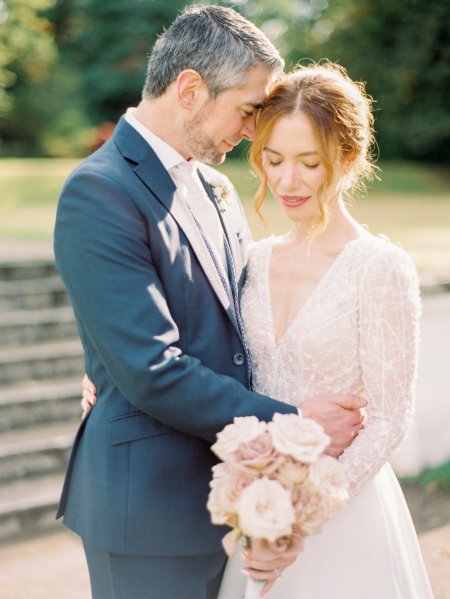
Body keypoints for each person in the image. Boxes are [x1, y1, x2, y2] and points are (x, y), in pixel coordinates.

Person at [54, 6, 364, 599]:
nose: (253, 130)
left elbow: (237, 321)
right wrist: (295, 425)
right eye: (248, 109)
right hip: (147, 512)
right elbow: (149, 368)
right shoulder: (98, 190)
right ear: (191, 89)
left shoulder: (216, 186)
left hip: (234, 497)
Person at [213, 62, 434, 598]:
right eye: (273, 159)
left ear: (348, 158)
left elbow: (389, 417)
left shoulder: (378, 266)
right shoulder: (253, 261)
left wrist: (302, 510)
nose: (287, 181)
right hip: (259, 509)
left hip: (345, 520)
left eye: (309, 163)